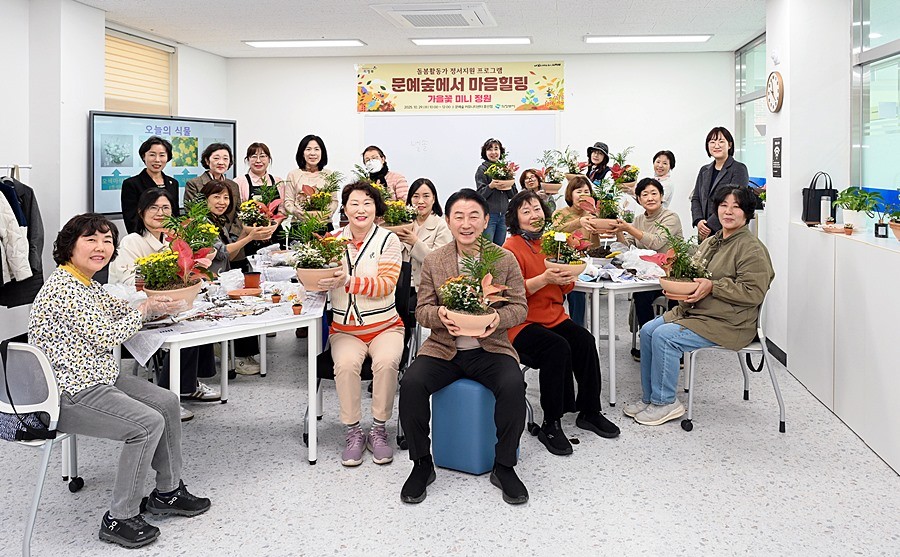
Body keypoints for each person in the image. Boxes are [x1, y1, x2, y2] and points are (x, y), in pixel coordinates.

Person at [28, 213, 211, 549]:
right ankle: (119, 517)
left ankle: (168, 492)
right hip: (69, 393)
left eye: (107, 241)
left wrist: (150, 304)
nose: (101, 247)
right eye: (91, 240)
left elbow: (116, 310)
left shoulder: (86, 283)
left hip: (97, 378)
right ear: (69, 246)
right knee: (145, 424)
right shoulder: (63, 288)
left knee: (167, 402)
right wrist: (143, 311)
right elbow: (106, 335)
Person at [399, 189, 529, 506]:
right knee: (412, 384)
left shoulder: (504, 259)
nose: (466, 223)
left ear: (486, 221)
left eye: (474, 216)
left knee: (513, 384)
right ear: (448, 220)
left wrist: (496, 318)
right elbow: (422, 310)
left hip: (491, 349)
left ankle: (504, 465)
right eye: (459, 216)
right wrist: (441, 316)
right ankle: (421, 464)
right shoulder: (435, 260)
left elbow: (520, 308)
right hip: (444, 348)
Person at [626, 186, 774, 426]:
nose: (728, 211)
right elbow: (694, 270)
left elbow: (753, 293)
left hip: (730, 322)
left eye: (736, 207)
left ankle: (665, 403)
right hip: (699, 313)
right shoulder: (714, 241)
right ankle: (650, 398)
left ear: (747, 213)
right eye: (723, 205)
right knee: (648, 330)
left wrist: (713, 286)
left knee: (664, 337)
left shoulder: (752, 249)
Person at [503, 191, 620, 456]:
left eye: (537, 209)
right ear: (515, 219)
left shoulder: (552, 243)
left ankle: (589, 411)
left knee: (585, 340)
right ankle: (551, 423)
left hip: (553, 317)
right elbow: (510, 294)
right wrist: (544, 279)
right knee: (556, 348)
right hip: (521, 324)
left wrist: (567, 276)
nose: (534, 215)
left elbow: (564, 288)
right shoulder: (510, 249)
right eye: (526, 211)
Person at [108, 189, 220, 417]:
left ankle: (188, 385)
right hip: (136, 307)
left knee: (200, 320)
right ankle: (169, 394)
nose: (160, 213)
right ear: (141, 212)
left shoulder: (173, 241)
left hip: (167, 304)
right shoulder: (132, 242)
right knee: (184, 329)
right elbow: (130, 282)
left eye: (165, 208)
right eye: (153, 208)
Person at [319, 181, 405, 467]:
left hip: (386, 327)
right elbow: (320, 278)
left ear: (376, 209)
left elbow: (386, 284)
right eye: (354, 203)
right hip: (345, 330)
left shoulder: (388, 240)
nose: (361, 209)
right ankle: (353, 431)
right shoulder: (331, 240)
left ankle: (379, 429)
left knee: (387, 362)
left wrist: (347, 281)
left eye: (367, 203)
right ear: (344, 208)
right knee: (345, 365)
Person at [202, 180, 272, 374]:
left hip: (221, 280)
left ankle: (239, 354)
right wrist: (250, 237)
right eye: (216, 197)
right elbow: (221, 252)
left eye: (226, 197)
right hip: (209, 284)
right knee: (244, 305)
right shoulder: (202, 223)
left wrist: (244, 233)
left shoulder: (218, 221)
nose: (222, 202)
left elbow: (229, 256)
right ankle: (239, 358)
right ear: (205, 199)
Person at [610, 177, 684, 360]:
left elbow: (656, 242)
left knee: (675, 299)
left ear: (662, 196)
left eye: (654, 193)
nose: (650, 198)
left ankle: (676, 349)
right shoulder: (638, 219)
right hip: (648, 276)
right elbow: (628, 247)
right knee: (640, 295)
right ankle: (648, 343)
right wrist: (619, 230)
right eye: (645, 194)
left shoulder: (671, 217)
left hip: (671, 275)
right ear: (639, 199)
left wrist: (629, 228)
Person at [551, 175, 606, 327]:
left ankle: (579, 328)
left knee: (578, 296)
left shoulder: (592, 216)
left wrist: (595, 232)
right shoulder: (560, 213)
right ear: (570, 194)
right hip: (562, 263)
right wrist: (579, 222)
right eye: (578, 191)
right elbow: (557, 230)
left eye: (586, 192)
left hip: (583, 265)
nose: (583, 195)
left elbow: (594, 247)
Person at [183, 142, 244, 258]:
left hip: (234, 243)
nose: (221, 162)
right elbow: (193, 214)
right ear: (207, 160)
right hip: (209, 244)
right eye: (216, 158)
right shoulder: (194, 184)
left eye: (225, 159)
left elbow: (239, 213)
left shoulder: (233, 185)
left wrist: (234, 236)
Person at [393, 178, 453, 291]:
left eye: (426, 196)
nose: (420, 201)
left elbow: (439, 262)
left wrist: (415, 242)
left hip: (425, 288)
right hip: (400, 286)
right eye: (416, 196)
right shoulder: (402, 224)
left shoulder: (442, 226)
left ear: (433, 199)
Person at [691, 127, 749, 240]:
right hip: (704, 231)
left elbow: (734, 201)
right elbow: (696, 198)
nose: (716, 146)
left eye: (721, 141)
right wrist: (698, 221)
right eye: (712, 142)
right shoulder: (704, 170)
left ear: (729, 145)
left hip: (727, 230)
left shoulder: (738, 169)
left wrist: (709, 226)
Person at [121, 136, 180, 234]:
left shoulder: (173, 183)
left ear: (167, 158)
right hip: (144, 237)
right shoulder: (132, 184)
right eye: (152, 155)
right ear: (144, 156)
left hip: (169, 237)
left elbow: (175, 214)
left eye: (162, 155)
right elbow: (131, 219)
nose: (157, 160)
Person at [234, 142, 284, 255]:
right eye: (253, 156)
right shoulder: (239, 182)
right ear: (247, 160)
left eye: (262, 156)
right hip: (250, 236)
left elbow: (282, 210)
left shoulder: (278, 181)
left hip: (275, 233)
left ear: (269, 159)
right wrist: (257, 230)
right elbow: (238, 212)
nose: (258, 160)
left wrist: (271, 228)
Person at [283, 134, 338, 221]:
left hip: (324, 223)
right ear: (302, 153)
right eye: (308, 149)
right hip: (299, 224)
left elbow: (334, 201)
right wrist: (295, 211)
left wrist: (328, 212)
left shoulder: (329, 174)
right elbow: (288, 201)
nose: (313, 153)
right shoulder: (293, 174)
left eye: (316, 149)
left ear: (322, 152)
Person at [474, 138, 517, 245]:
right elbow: (479, 195)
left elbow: (513, 195)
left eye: (496, 149)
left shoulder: (505, 169)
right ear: (485, 152)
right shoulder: (482, 170)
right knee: (487, 248)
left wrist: (508, 184)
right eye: (490, 149)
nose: (493, 152)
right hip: (489, 216)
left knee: (499, 247)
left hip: (503, 216)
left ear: (501, 151)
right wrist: (491, 186)